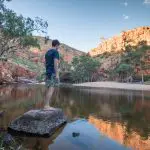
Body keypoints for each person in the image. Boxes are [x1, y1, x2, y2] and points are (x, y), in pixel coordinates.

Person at [44, 39, 60, 109]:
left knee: (48, 89)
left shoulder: (47, 52)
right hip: (52, 72)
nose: (58, 47)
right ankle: (46, 106)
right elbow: (55, 63)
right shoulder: (55, 52)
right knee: (51, 88)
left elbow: (44, 63)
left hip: (47, 72)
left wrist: (47, 69)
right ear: (56, 45)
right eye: (58, 46)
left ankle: (46, 105)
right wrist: (57, 74)